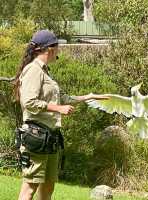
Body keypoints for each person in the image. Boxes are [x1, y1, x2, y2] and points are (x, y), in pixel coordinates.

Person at [14, 30, 108, 200]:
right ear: (49, 49)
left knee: (47, 188)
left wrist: (89, 96)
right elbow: (28, 102)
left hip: (50, 138)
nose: (59, 51)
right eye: (57, 47)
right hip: (36, 137)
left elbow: (64, 98)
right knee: (30, 188)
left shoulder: (46, 72)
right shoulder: (33, 70)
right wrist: (58, 109)